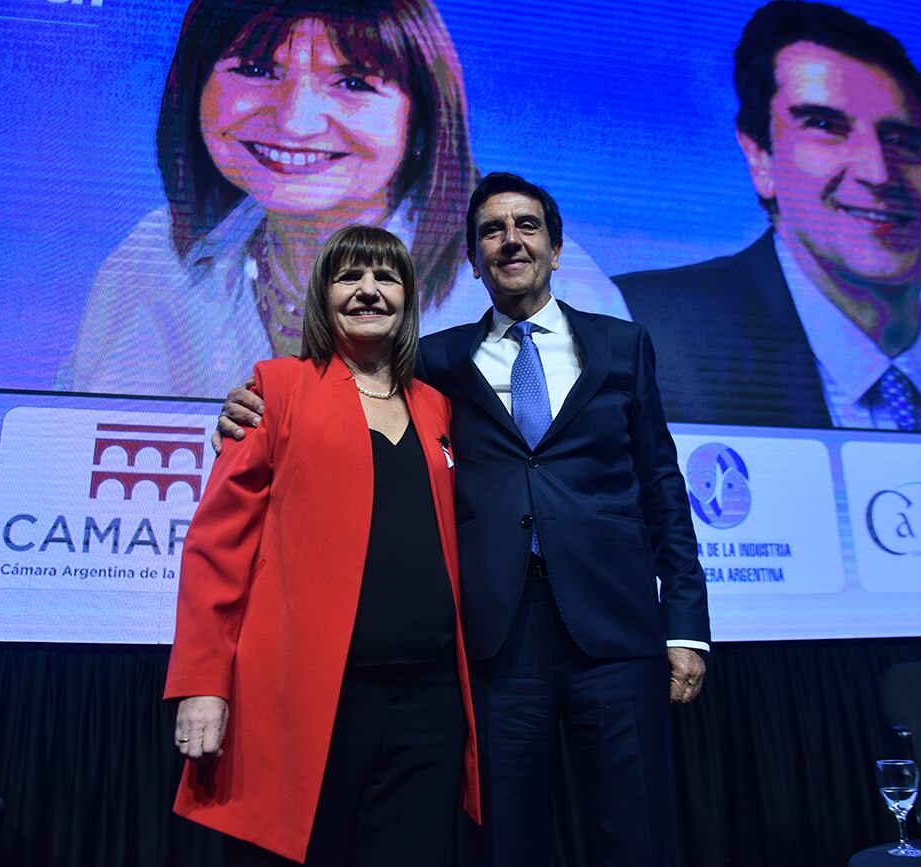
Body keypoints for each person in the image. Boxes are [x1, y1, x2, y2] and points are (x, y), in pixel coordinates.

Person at [218, 173, 710, 866]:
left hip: (617, 629)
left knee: (634, 832)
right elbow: (347, 375)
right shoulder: (437, 360)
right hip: (496, 634)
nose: (510, 240)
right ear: (473, 259)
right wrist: (248, 406)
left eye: (526, 226)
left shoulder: (623, 345)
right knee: (507, 837)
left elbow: (663, 485)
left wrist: (686, 623)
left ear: (556, 247)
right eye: (491, 231)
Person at [56, 0, 627, 398]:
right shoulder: (154, 257)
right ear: (193, 89)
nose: (295, 120)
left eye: (353, 83)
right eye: (255, 70)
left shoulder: (540, 279)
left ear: (422, 118)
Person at [165, 225, 480, 865]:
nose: (369, 291)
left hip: (428, 704)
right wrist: (203, 683)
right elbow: (215, 548)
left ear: (409, 297)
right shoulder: (276, 389)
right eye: (349, 277)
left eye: (386, 278)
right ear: (323, 295)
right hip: (311, 700)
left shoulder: (438, 408)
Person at [615, 0, 921, 438]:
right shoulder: (640, 328)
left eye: (902, 140)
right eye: (826, 126)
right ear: (760, 158)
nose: (878, 172)